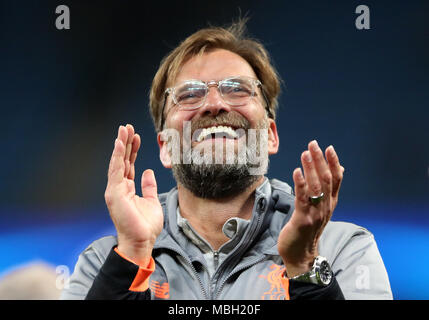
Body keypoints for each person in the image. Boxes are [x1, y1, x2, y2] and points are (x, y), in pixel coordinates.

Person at [61, 20, 392, 300]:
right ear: (164, 147)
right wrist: (132, 256)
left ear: (271, 136)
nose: (215, 103)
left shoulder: (343, 250)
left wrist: (305, 266)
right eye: (189, 94)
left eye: (237, 89)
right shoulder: (105, 262)